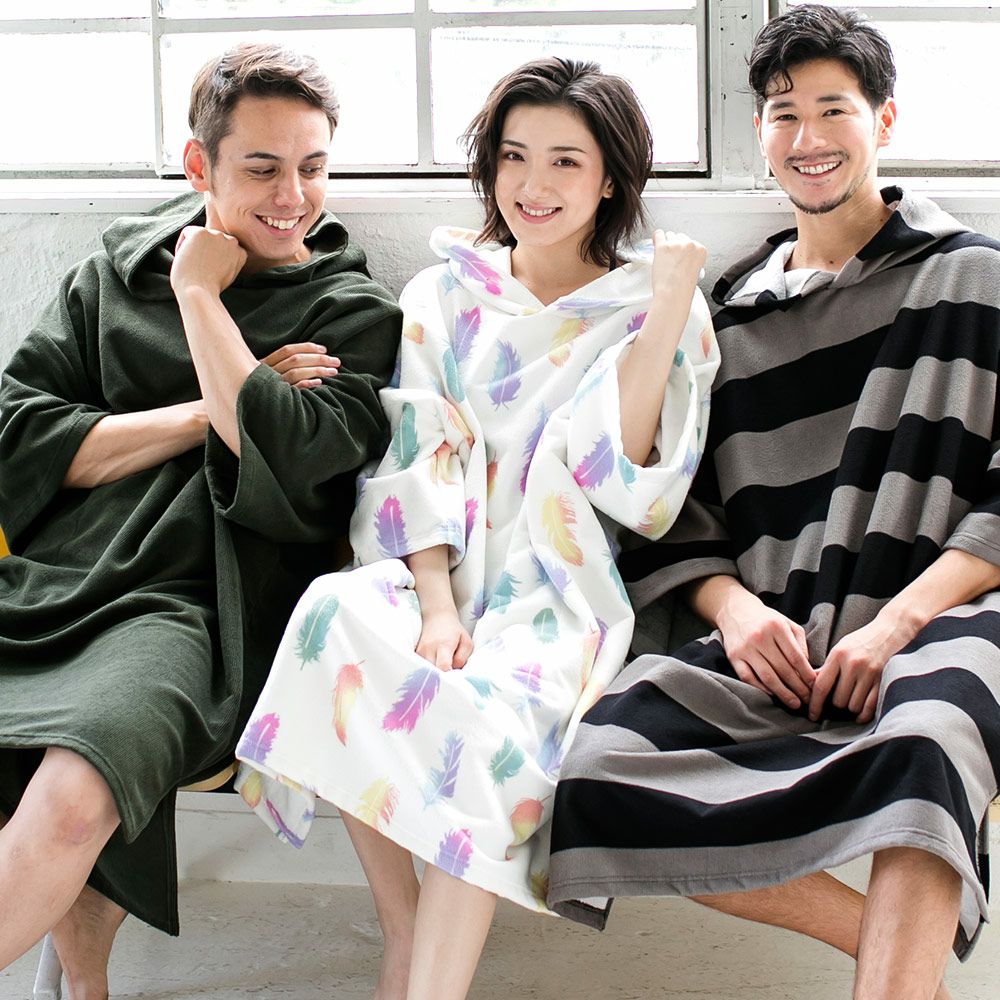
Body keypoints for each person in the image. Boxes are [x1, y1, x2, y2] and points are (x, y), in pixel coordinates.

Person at [235, 56, 719, 999]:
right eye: (514, 156)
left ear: (610, 178)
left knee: (482, 720)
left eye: (566, 162)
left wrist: (665, 309)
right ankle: (402, 933)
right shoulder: (444, 292)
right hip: (441, 570)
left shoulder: (655, 303)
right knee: (333, 617)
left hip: (558, 593)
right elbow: (419, 457)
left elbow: (625, 482)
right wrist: (435, 604)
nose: (534, 185)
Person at [546, 6, 1000, 999]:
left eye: (834, 109)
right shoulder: (732, 316)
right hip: (783, 634)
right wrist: (738, 613)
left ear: (884, 120)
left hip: (951, 614)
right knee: (598, 768)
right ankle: (902, 970)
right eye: (783, 113)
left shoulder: (972, 275)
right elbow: (676, 508)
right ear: (759, 131)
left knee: (928, 740)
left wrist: (899, 624)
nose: (807, 137)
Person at [0, 42, 402, 998]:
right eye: (262, 168)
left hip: (195, 611)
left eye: (313, 166)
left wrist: (198, 298)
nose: (292, 197)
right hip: (47, 583)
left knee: (84, 781)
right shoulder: (114, 274)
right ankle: (84, 984)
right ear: (199, 165)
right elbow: (18, 438)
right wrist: (204, 409)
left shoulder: (351, 313)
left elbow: (285, 457)